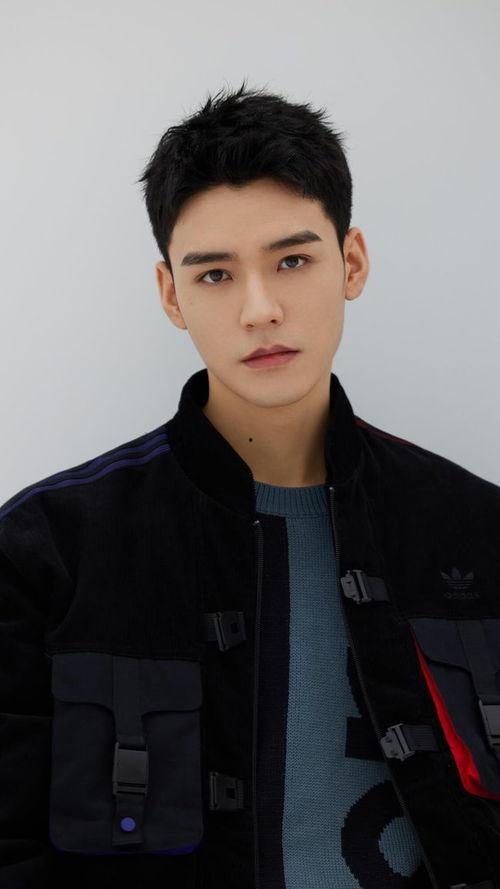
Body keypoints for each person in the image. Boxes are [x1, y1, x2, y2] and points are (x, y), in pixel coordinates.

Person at [1, 80, 499, 889]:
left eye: (292, 260)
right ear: (171, 294)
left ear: (353, 262)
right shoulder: (47, 550)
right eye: (215, 275)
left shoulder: (478, 529)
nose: (260, 309)